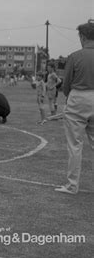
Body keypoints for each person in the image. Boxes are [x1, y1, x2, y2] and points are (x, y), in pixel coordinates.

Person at [55, 19, 94, 195]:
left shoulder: (75, 56)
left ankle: (72, 185)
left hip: (78, 97)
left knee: (74, 145)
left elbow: (66, 85)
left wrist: (70, 98)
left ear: (83, 36)